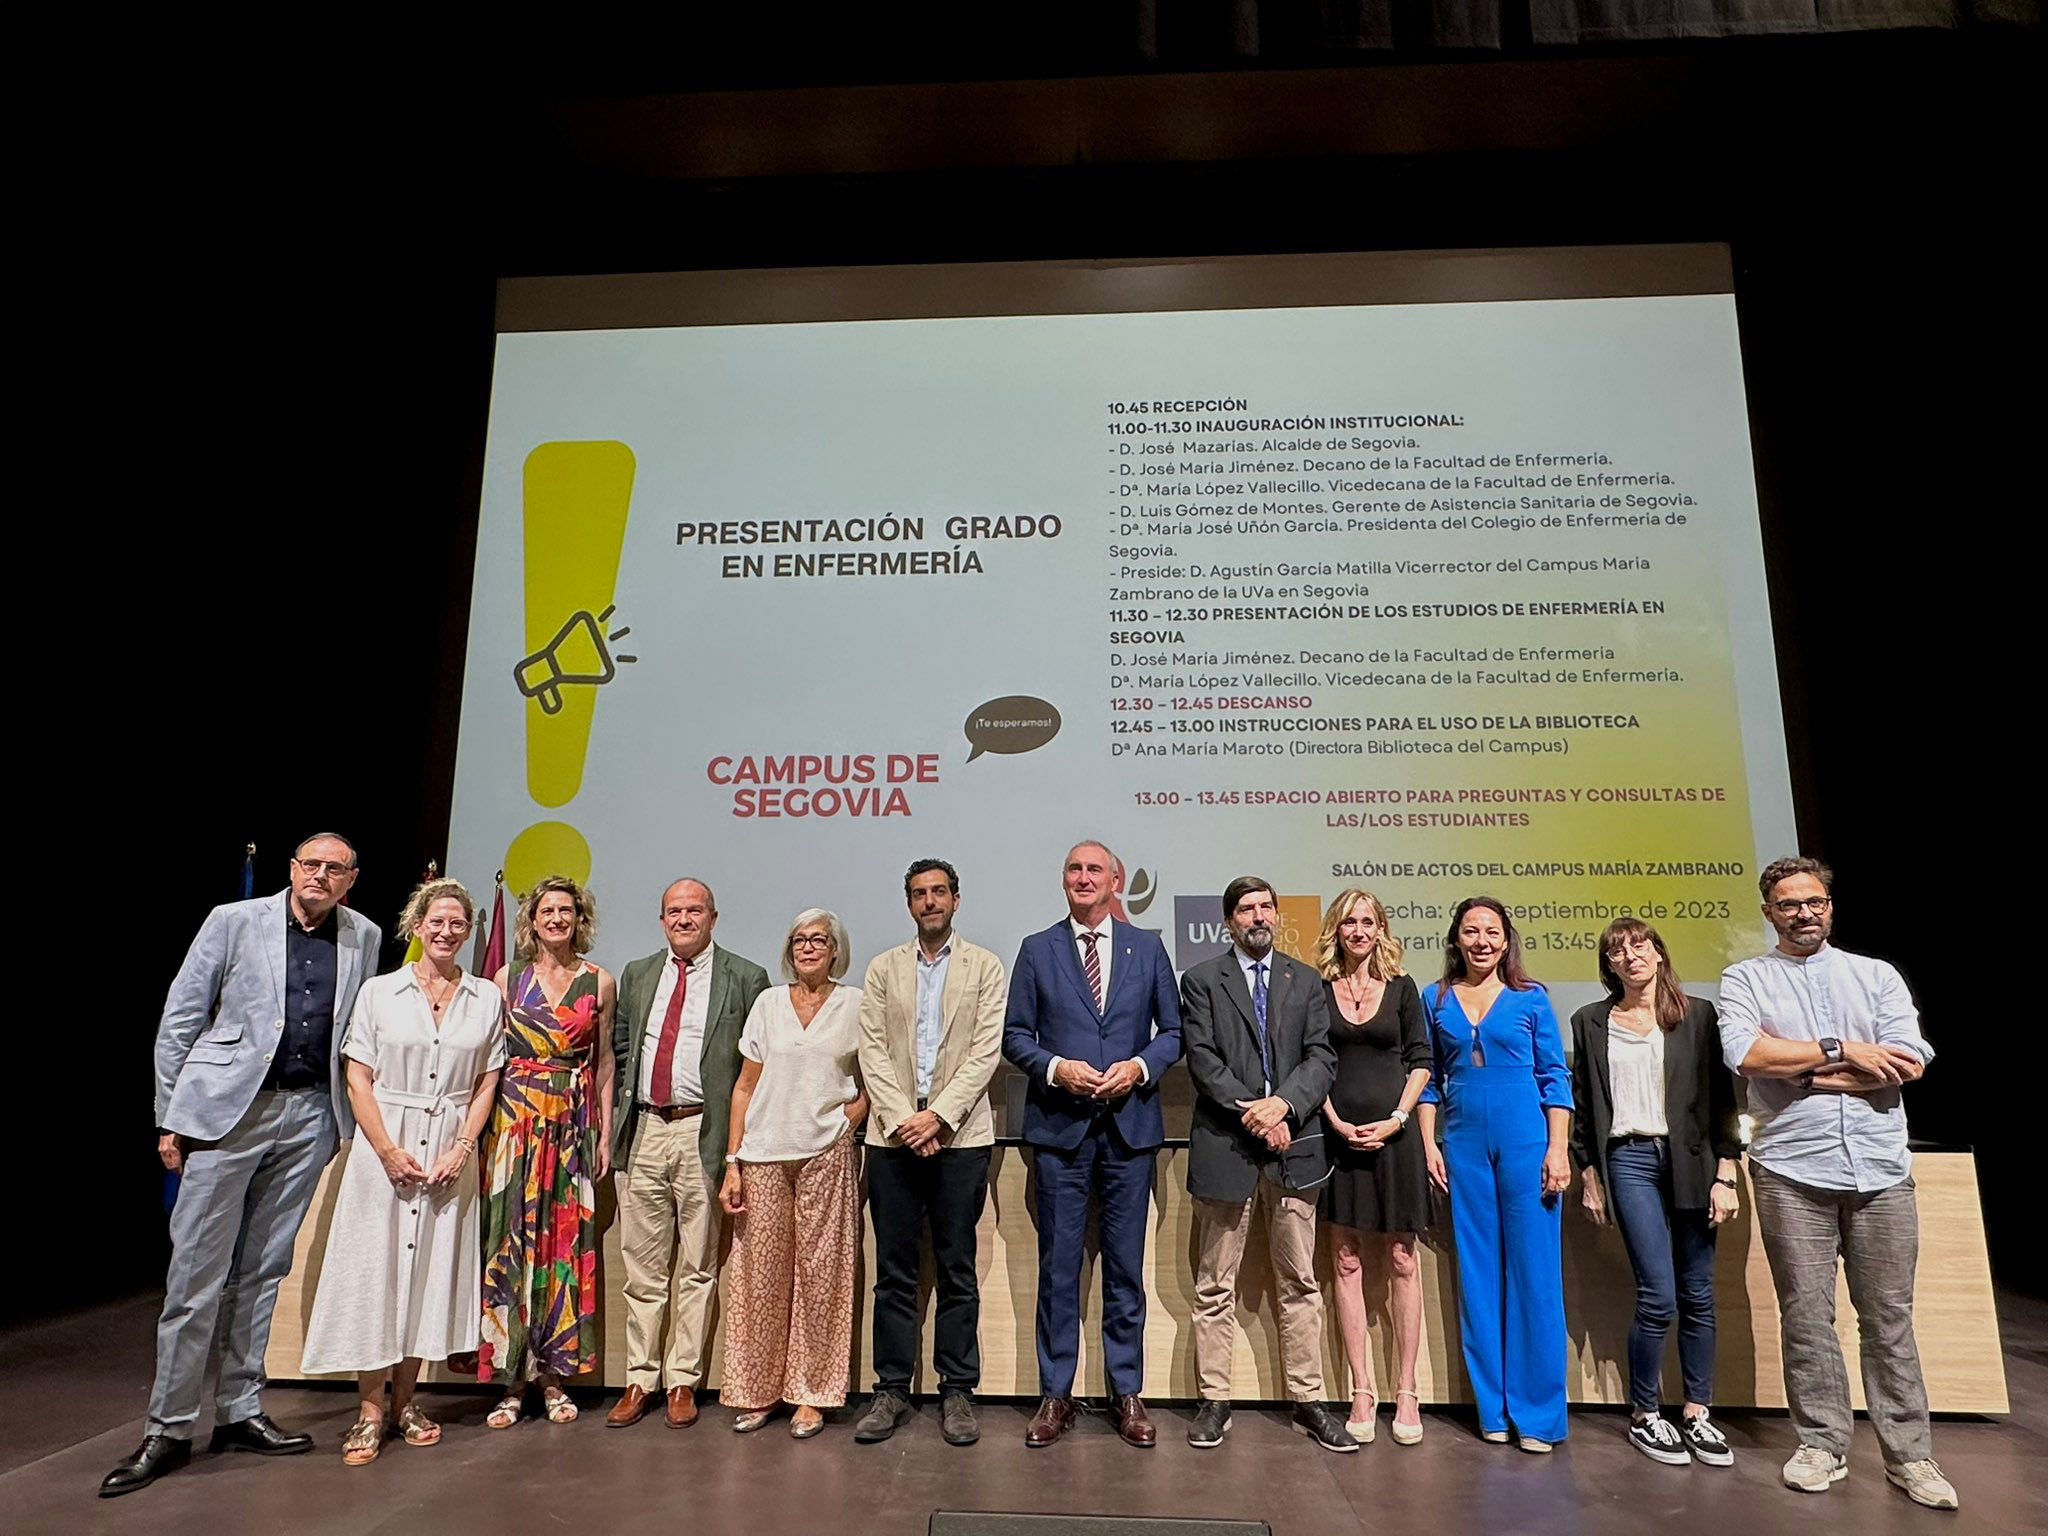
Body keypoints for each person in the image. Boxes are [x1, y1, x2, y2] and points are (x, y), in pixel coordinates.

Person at [103, 834, 383, 1498]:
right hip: (228, 1114)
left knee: (263, 1273)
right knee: (196, 1277)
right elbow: (180, 1019)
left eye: (334, 869)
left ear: (351, 880)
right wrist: (172, 1116)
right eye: (309, 865)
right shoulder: (233, 921)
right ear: (291, 870)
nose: (319, 875)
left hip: (313, 1115)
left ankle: (238, 1411)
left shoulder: (364, 936)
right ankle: (168, 1428)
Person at [1718, 857, 1956, 1509]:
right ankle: (1822, 1443)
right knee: (1808, 1316)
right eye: (1789, 904)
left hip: (1881, 1170)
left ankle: (1911, 1456)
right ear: (1769, 912)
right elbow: (1749, 1055)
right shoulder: (1747, 977)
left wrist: (1808, 1072)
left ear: (1830, 906)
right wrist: (1847, 1050)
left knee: (1888, 1318)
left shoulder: (1874, 976)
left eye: (1814, 901)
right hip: (1791, 1170)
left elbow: (1908, 1059)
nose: (1804, 913)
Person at [301, 879, 505, 1465]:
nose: (446, 932)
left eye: (458, 924)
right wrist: (387, 1150)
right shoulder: (379, 992)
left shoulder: (486, 998)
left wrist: (462, 1147)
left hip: (448, 1154)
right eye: (436, 921)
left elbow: (488, 1080)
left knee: (428, 1276)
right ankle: (368, 1411)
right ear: (416, 925)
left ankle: (406, 1403)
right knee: (378, 1273)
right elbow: (357, 1075)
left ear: (468, 932)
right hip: (384, 1149)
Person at [1002, 839, 1184, 1449]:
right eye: (1074, 869)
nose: (1084, 878)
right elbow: (1015, 1036)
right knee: (1059, 1270)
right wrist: (1056, 1068)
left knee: (1124, 1271)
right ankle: (1057, 1394)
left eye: (1095, 870)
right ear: (1064, 880)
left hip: (1129, 1132)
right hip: (1060, 1133)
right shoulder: (1037, 949)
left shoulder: (1149, 947)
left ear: (1116, 880)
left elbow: (1174, 1033)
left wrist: (1137, 1067)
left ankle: (1125, 1392)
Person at [1179, 877, 1352, 1452]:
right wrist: (1256, 1112)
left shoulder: (1306, 981)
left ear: (1278, 917)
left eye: (1265, 907)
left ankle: (1308, 1401)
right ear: (1229, 922)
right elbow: (1202, 1060)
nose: (1257, 916)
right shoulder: (1202, 980)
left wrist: (1286, 1105)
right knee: (1214, 1285)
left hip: (1295, 1148)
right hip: (1227, 1146)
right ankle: (1214, 1401)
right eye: (1245, 909)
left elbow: (1321, 1057)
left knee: (1300, 1281)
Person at [1569, 916, 1741, 1469]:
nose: (1630, 956)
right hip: (1630, 1158)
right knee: (1658, 1294)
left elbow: (1723, 1100)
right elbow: (1584, 1105)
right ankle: (1645, 1413)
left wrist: (1728, 1172)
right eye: (1617, 951)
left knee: (1698, 1292)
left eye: (1639, 945)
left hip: (1694, 1162)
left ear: (1659, 954)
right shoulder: (1590, 1021)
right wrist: (1588, 1172)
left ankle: (1696, 1412)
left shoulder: (1698, 1016)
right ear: (1608, 966)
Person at [606, 878, 770, 1429]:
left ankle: (682, 1381)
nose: (683, 919)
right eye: (673, 911)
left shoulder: (745, 978)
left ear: (713, 917)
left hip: (703, 1131)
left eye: (693, 910)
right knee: (643, 1268)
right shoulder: (637, 974)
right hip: (647, 1129)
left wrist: (736, 1152)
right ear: (661, 920)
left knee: (698, 1268)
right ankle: (639, 1378)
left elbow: (754, 1066)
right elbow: (624, 1047)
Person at [854, 859, 1007, 1447]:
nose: (929, 902)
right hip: (892, 1139)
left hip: (960, 1137)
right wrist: (902, 1120)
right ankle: (891, 1387)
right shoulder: (882, 968)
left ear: (956, 900)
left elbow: (986, 1051)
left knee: (956, 1269)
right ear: (909, 903)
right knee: (893, 1271)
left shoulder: (985, 967)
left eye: (938, 892)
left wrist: (939, 1116)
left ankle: (957, 1390)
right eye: (919, 894)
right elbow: (872, 1050)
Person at [1415, 896, 1572, 1452]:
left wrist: (1558, 1150)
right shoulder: (1435, 998)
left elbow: (1556, 1077)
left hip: (1526, 1138)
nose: (1481, 940)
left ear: (1507, 941)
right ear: (1455, 939)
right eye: (1470, 931)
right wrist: (1429, 1142)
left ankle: (1537, 1415)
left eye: (1492, 932)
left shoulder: (1530, 998)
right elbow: (1428, 1078)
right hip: (1462, 1142)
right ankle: (1493, 1408)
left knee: (1534, 1274)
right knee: (1478, 1275)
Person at [718, 909, 868, 1438]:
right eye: (799, 940)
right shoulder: (767, 1003)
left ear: (835, 949)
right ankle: (757, 1391)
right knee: (759, 1279)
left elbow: (876, 1074)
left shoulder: (855, 1003)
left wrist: (850, 1118)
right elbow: (743, 1086)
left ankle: (811, 1393)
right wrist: (732, 1161)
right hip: (762, 1154)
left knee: (821, 1276)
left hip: (826, 1152)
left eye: (819, 940)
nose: (808, 947)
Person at [478, 876, 617, 1427]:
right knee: (510, 1247)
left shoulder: (598, 980)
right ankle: (512, 1380)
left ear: (579, 918)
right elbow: (488, 1061)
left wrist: (603, 1133)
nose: (556, 919)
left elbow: (604, 1063)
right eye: (547, 911)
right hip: (514, 1126)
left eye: (566, 910)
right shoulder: (504, 978)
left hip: (571, 1126)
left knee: (562, 1247)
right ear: (531, 920)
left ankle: (554, 1377)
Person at [1314, 888, 1433, 1446]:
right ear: (1335, 930)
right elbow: (1312, 1060)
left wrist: (1397, 1119)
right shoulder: (1318, 990)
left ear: (1381, 928)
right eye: (1348, 922)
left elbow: (1421, 1060)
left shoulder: (1405, 990)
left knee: (1404, 1258)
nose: (1358, 931)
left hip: (1395, 1138)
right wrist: (1334, 1120)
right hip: (1338, 1139)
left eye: (1367, 921)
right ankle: (1363, 1389)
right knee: (1343, 1259)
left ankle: (1406, 1390)